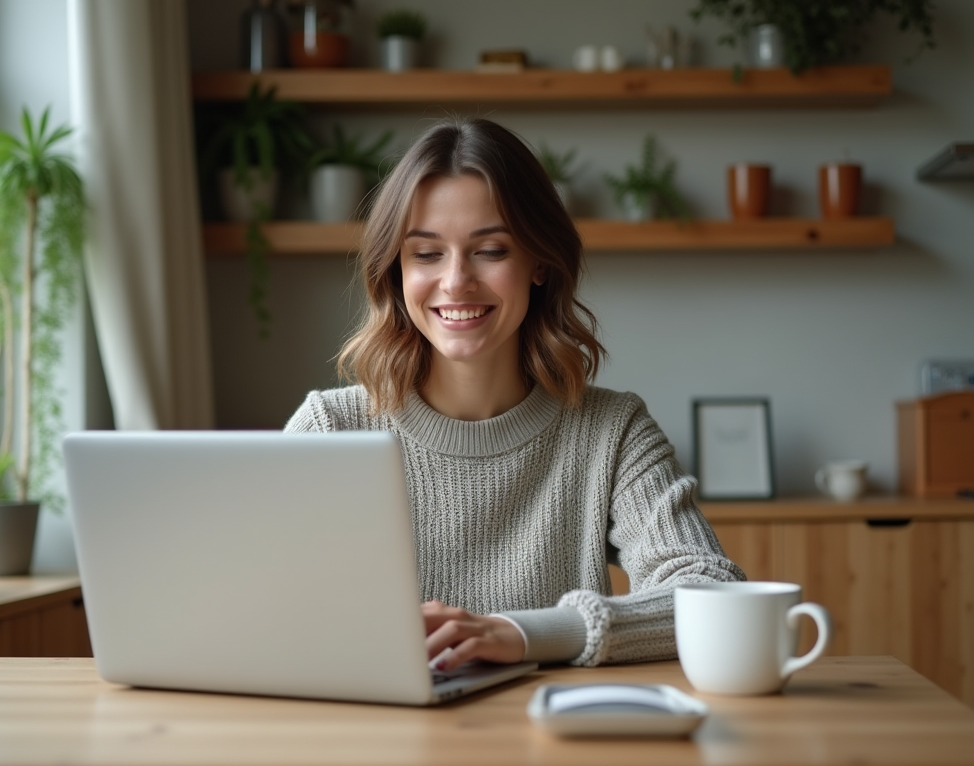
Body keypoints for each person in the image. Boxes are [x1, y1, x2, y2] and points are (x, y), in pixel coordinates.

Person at [284, 117, 744, 672]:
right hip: (383, 745)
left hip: (552, 746)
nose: (456, 282)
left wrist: (523, 634)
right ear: (396, 272)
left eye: (491, 250)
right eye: (426, 254)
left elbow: (710, 590)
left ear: (540, 264)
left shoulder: (612, 431)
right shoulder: (330, 430)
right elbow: (251, 604)